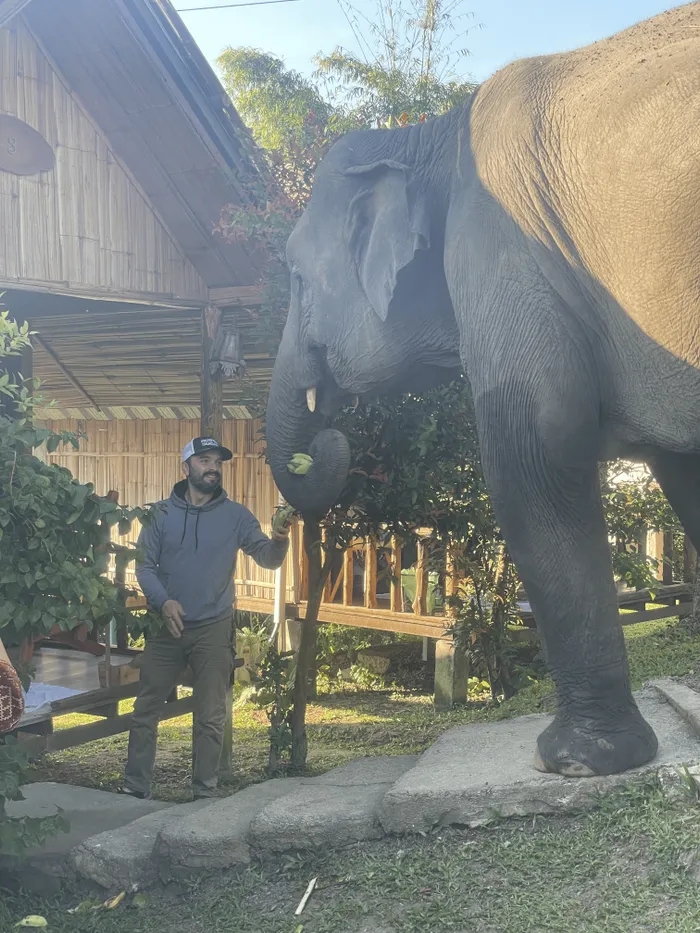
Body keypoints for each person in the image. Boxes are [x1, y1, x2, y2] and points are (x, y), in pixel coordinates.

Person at [122, 436, 291, 800]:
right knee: (145, 709)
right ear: (186, 468)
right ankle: (135, 789)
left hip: (214, 627)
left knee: (211, 715)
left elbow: (268, 559)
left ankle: (204, 793)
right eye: (204, 460)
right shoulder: (161, 515)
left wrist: (279, 541)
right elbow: (145, 568)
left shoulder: (236, 517)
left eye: (217, 461)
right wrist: (164, 602)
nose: (212, 467)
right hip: (166, 628)